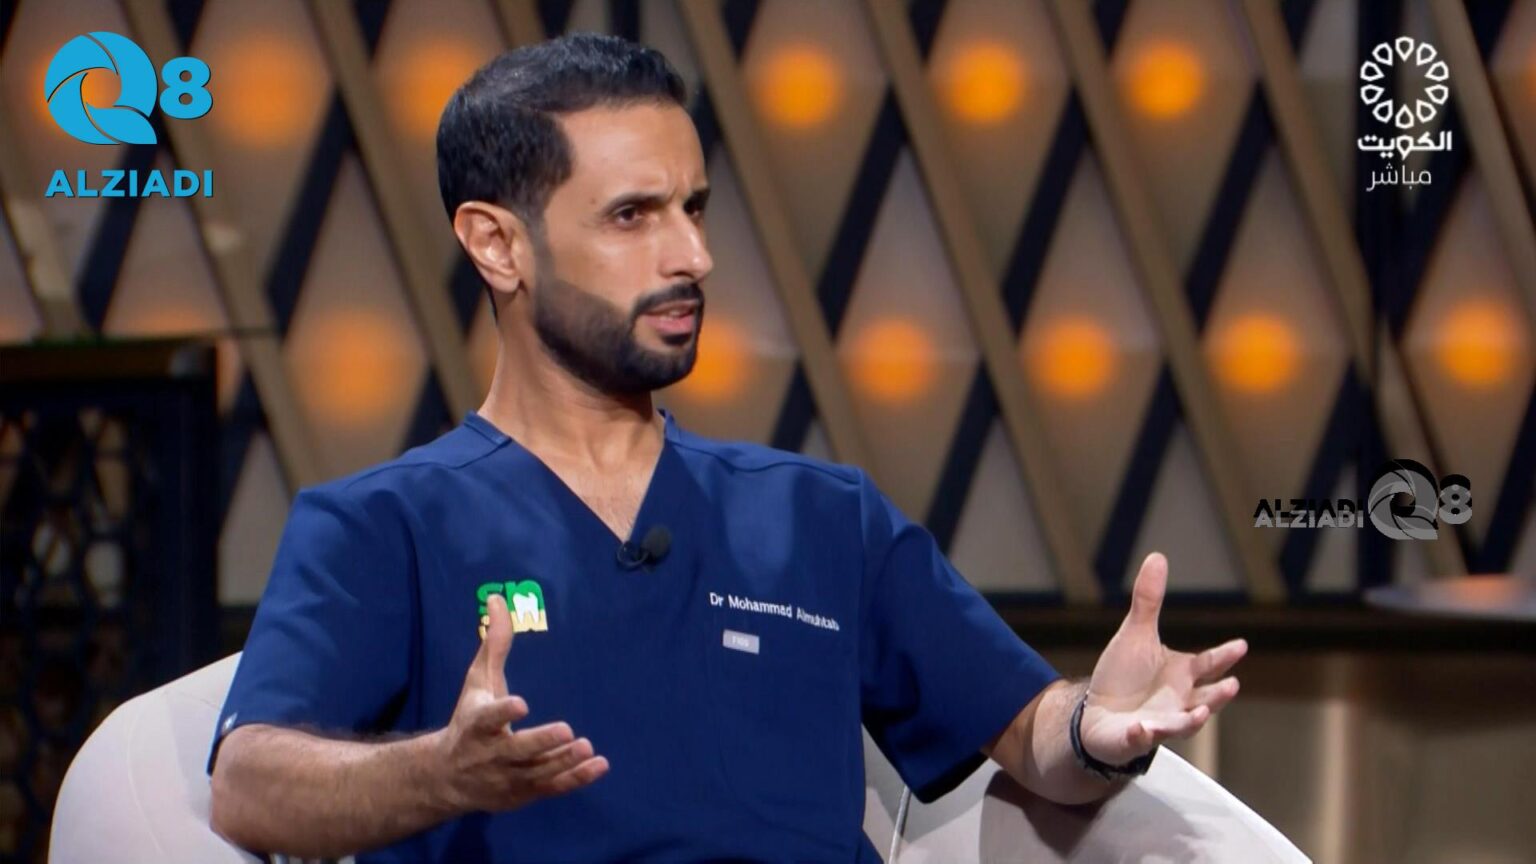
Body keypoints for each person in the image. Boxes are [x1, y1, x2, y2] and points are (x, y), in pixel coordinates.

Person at [206, 32, 1247, 863]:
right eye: (633, 216)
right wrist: (439, 772)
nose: (694, 255)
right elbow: (249, 783)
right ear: (497, 243)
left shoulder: (822, 517)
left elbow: (1031, 738)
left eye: (694, 208)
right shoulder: (381, 524)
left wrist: (1096, 729)